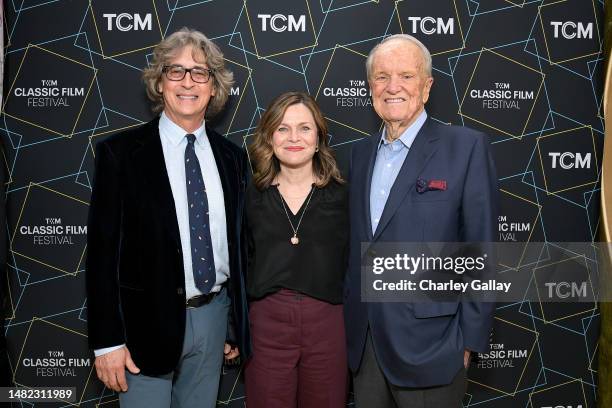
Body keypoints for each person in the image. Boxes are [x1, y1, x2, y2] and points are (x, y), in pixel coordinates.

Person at [85, 27, 250, 408]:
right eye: (175, 71)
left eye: (199, 72)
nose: (187, 81)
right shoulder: (121, 155)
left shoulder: (233, 158)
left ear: (214, 86)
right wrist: (107, 341)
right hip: (143, 326)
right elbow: (101, 256)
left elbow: (241, 248)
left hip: (214, 319)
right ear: (160, 83)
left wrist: (234, 325)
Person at [343, 34, 499, 407]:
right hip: (366, 346)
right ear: (370, 88)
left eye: (406, 76)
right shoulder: (359, 155)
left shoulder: (466, 147)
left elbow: (482, 251)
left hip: (434, 346)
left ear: (427, 87)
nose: (392, 87)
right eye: (381, 77)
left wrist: (468, 342)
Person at [244, 91, 348, 408]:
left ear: (318, 139)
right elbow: (238, 261)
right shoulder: (249, 194)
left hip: (328, 323)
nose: (294, 138)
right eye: (283, 128)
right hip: (266, 324)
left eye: (304, 128)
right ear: (270, 137)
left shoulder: (344, 194)